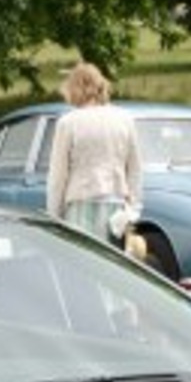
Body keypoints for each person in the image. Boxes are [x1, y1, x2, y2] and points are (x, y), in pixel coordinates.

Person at [45, 62, 142, 250]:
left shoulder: (68, 123)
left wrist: (54, 216)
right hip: (117, 209)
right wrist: (134, 209)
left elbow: (58, 176)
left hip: (80, 206)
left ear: (74, 88)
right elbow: (135, 168)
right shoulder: (125, 119)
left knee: (81, 269)